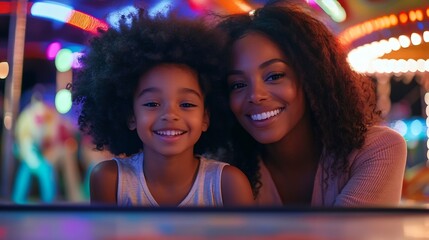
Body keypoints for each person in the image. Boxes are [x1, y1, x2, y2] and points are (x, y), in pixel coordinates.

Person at [216, 0, 407, 207]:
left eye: (274, 76)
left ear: (312, 77)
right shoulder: (221, 167)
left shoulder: (378, 149)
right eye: (238, 84)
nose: (255, 95)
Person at [70, 10, 254, 207]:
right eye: (152, 104)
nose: (170, 115)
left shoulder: (228, 184)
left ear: (205, 118)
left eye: (186, 104)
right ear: (131, 116)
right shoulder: (110, 180)